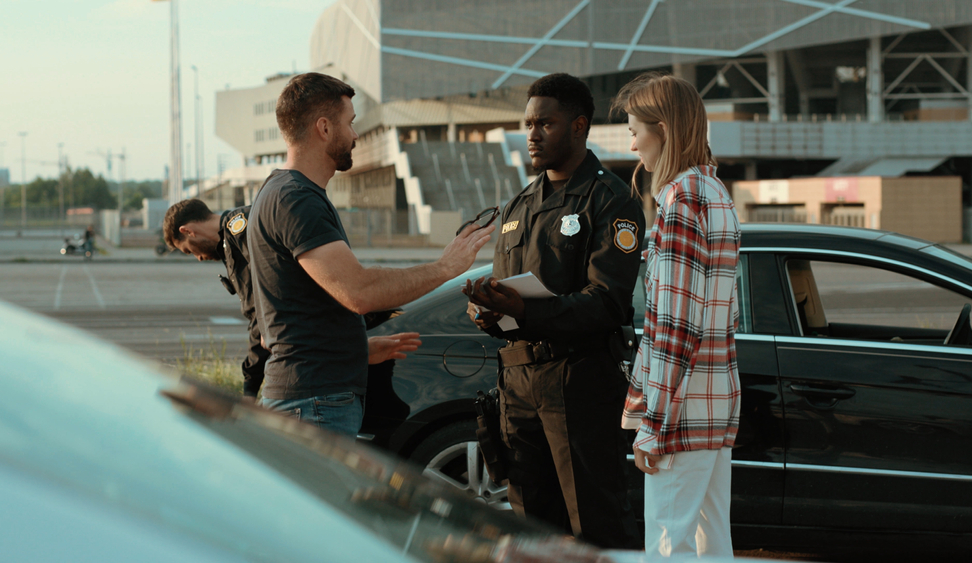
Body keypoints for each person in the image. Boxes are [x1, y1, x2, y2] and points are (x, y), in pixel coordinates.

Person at [247, 72, 493, 437]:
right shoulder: (295, 199)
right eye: (350, 123)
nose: (356, 135)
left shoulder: (285, 192)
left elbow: (298, 312)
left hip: (312, 397)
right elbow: (358, 291)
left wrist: (355, 349)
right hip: (312, 403)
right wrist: (445, 268)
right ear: (325, 128)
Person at [463, 73, 642, 549]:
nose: (533, 134)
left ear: (579, 126)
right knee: (529, 533)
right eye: (528, 124)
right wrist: (490, 313)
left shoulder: (611, 199)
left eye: (546, 123)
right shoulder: (519, 205)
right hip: (517, 385)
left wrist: (524, 309)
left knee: (593, 530)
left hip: (578, 383)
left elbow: (608, 302)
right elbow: (509, 296)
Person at [614, 73, 741, 558]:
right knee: (712, 546)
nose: (631, 146)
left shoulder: (680, 199)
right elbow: (719, 317)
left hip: (683, 409)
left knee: (668, 546)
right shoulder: (715, 194)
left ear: (662, 129)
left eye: (634, 131)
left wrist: (656, 423)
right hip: (714, 400)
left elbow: (675, 325)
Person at [163, 198, 422, 401]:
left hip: (325, 353)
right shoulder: (247, 218)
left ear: (189, 231)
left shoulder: (236, 237)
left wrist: (250, 386)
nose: (197, 257)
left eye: (188, 250)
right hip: (349, 330)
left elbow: (260, 315)